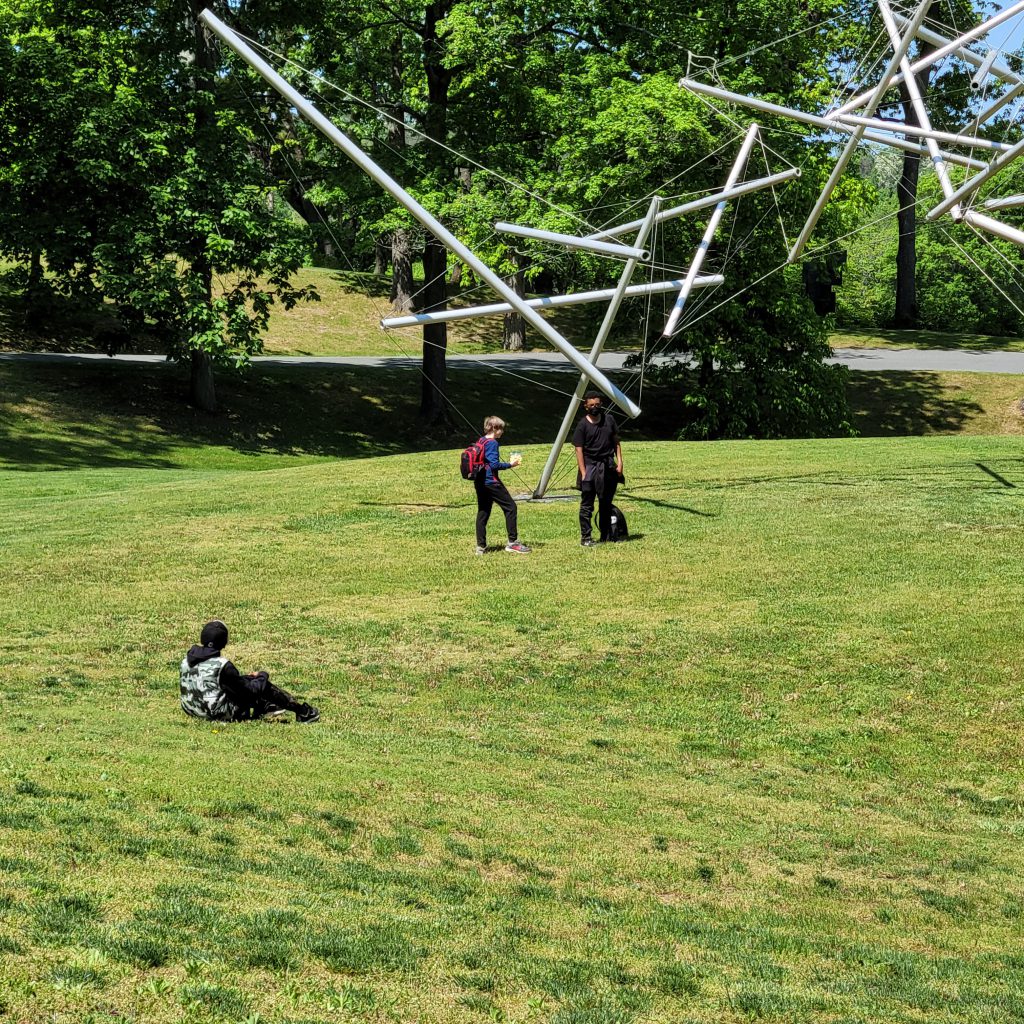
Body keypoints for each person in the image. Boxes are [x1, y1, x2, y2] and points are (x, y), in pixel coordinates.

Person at [180, 620, 320, 723]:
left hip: (192, 710)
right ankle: (303, 712)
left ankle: (267, 706)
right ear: (224, 642)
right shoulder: (223, 666)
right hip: (216, 713)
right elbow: (249, 691)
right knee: (259, 685)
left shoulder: (186, 661)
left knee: (245, 681)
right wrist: (262, 676)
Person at [474, 415, 531, 555]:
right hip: (491, 482)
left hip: (479, 482)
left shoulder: (481, 440)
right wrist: (510, 465)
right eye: (501, 429)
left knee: (483, 512)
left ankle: (480, 547)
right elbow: (493, 465)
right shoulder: (492, 443)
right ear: (494, 428)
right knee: (511, 507)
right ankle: (513, 543)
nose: (502, 432)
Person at [573, 390, 623, 547]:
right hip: (590, 467)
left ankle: (606, 535)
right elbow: (578, 449)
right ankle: (586, 538)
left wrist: (620, 462)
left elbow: (616, 441)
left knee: (606, 502)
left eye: (598, 404)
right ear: (586, 406)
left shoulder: (609, 420)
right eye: (592, 405)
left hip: (608, 466)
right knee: (587, 504)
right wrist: (583, 471)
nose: (595, 407)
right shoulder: (582, 425)